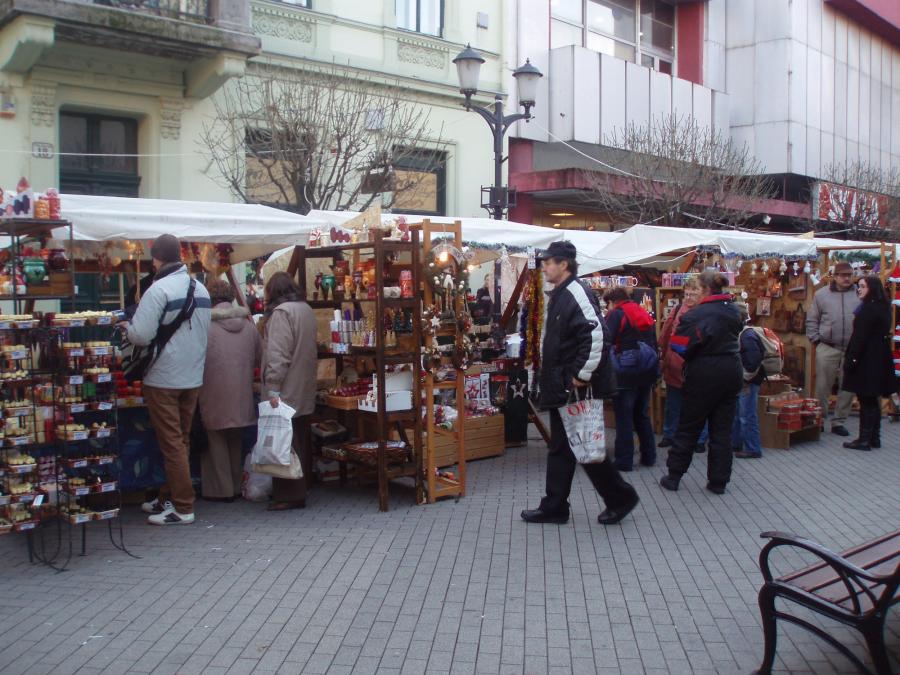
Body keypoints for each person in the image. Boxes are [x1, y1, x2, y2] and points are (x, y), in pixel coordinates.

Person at [521, 241, 639, 526]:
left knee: (583, 445)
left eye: (548, 262)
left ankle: (619, 497)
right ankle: (556, 506)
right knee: (564, 447)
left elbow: (597, 336)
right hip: (565, 384)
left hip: (576, 386)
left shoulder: (575, 292)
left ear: (564, 264)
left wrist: (580, 375)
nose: (544, 267)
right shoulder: (563, 293)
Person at [130, 234, 212, 525]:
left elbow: (140, 335)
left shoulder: (158, 290)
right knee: (181, 440)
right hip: (192, 376)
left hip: (164, 376)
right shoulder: (201, 289)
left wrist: (126, 327)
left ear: (157, 259)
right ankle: (169, 496)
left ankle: (183, 506)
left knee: (172, 443)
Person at [660, 270, 742, 495]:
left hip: (703, 371)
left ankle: (674, 476)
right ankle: (718, 482)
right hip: (731, 368)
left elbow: (678, 346)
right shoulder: (734, 310)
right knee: (722, 431)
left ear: (705, 289)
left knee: (689, 426)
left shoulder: (695, 315)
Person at [198, 280, 262, 501]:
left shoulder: (205, 326)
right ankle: (235, 486)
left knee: (215, 442)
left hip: (212, 392)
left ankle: (220, 490)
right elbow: (260, 357)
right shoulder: (249, 326)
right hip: (242, 393)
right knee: (235, 440)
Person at [260, 272, 317, 510]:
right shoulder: (305, 309)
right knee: (299, 438)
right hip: (303, 385)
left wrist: (273, 388)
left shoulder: (282, 313)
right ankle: (302, 486)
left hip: (287, 389)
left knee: (284, 442)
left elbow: (278, 354)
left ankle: (289, 494)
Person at [604, 287, 658, 471]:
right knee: (641, 415)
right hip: (646, 370)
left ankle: (624, 460)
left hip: (625, 372)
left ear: (612, 302)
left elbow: (607, 340)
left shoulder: (616, 314)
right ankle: (649, 456)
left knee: (624, 417)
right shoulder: (642, 311)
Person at [840, 275, 896, 451]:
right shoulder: (882, 306)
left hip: (867, 358)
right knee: (872, 398)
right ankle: (874, 438)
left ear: (872, 288)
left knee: (866, 399)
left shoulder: (868, 309)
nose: (859, 289)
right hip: (878, 356)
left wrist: (851, 360)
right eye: (859, 286)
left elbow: (860, 337)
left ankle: (864, 439)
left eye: (863, 286)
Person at [805, 261, 860, 437]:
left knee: (848, 386)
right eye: (843, 275)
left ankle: (839, 421)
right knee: (822, 385)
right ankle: (819, 419)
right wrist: (815, 340)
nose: (847, 278)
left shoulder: (859, 294)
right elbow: (812, 319)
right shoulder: (822, 295)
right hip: (828, 345)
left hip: (851, 347)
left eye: (849, 275)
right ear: (835, 276)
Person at [658, 278, 705, 449]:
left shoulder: (705, 312)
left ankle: (699, 439)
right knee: (673, 404)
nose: (689, 297)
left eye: (693, 293)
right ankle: (670, 435)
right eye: (687, 294)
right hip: (675, 365)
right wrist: (663, 355)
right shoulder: (677, 309)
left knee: (698, 406)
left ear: (702, 293)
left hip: (696, 365)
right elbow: (665, 334)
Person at [732, 303, 765, 459]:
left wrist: (745, 378)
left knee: (747, 415)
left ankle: (753, 448)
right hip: (743, 380)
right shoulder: (742, 334)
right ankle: (736, 443)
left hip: (748, 382)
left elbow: (753, 362)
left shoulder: (747, 336)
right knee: (739, 414)